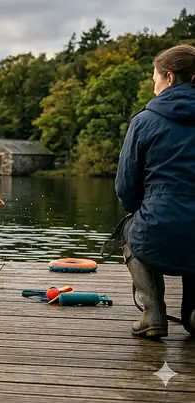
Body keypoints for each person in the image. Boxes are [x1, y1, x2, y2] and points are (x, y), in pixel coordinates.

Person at [115, 43, 195, 339]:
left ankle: (153, 314)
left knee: (132, 227)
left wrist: (143, 209)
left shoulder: (144, 121)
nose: (154, 83)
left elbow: (126, 189)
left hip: (158, 228)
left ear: (170, 77)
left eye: (155, 78)